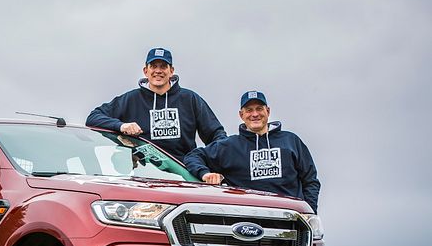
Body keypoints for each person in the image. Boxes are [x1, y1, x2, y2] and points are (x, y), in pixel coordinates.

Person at [183, 91, 321, 212]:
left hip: (291, 220)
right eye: (249, 110)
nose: (255, 114)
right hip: (248, 221)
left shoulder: (291, 141)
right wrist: (205, 174)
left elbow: (310, 181)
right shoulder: (230, 146)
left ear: (268, 111)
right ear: (241, 115)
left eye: (259, 109)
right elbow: (193, 156)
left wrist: (308, 212)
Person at [86, 47, 226, 163]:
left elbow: (217, 135)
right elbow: (93, 118)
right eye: (153, 66)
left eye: (163, 66)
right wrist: (122, 126)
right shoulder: (131, 99)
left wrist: (204, 161)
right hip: (146, 175)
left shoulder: (190, 99)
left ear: (171, 71)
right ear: (145, 71)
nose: (158, 71)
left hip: (184, 175)